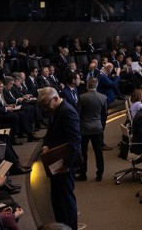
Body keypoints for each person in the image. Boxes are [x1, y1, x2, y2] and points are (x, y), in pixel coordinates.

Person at [39, 86, 81, 230]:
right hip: (56, 161)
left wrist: (67, 164)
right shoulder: (55, 110)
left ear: (55, 98)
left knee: (66, 201)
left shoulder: (68, 111)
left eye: (46, 105)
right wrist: (45, 145)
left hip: (64, 164)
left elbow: (75, 140)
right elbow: (49, 133)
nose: (45, 109)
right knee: (57, 200)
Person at [77, 77, 107, 182]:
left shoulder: (81, 97)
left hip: (84, 128)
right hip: (97, 127)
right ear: (97, 85)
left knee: (83, 152)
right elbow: (104, 115)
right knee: (98, 152)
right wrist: (101, 125)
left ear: (87, 85)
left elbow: (78, 114)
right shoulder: (103, 97)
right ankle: (99, 174)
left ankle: (83, 174)